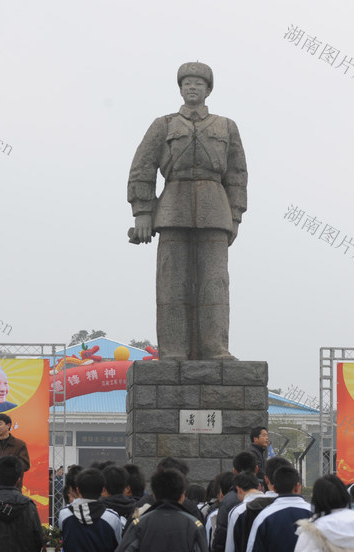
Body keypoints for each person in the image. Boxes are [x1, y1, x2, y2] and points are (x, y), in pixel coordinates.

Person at [127, 61, 248, 361]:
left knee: (215, 283)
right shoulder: (164, 125)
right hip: (172, 208)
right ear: (180, 89)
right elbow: (142, 168)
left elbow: (237, 175)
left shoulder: (226, 126)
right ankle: (173, 351)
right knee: (172, 282)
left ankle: (215, 348)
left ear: (208, 90)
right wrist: (142, 212)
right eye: (186, 83)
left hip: (215, 209)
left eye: (199, 83)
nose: (192, 88)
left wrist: (234, 216)